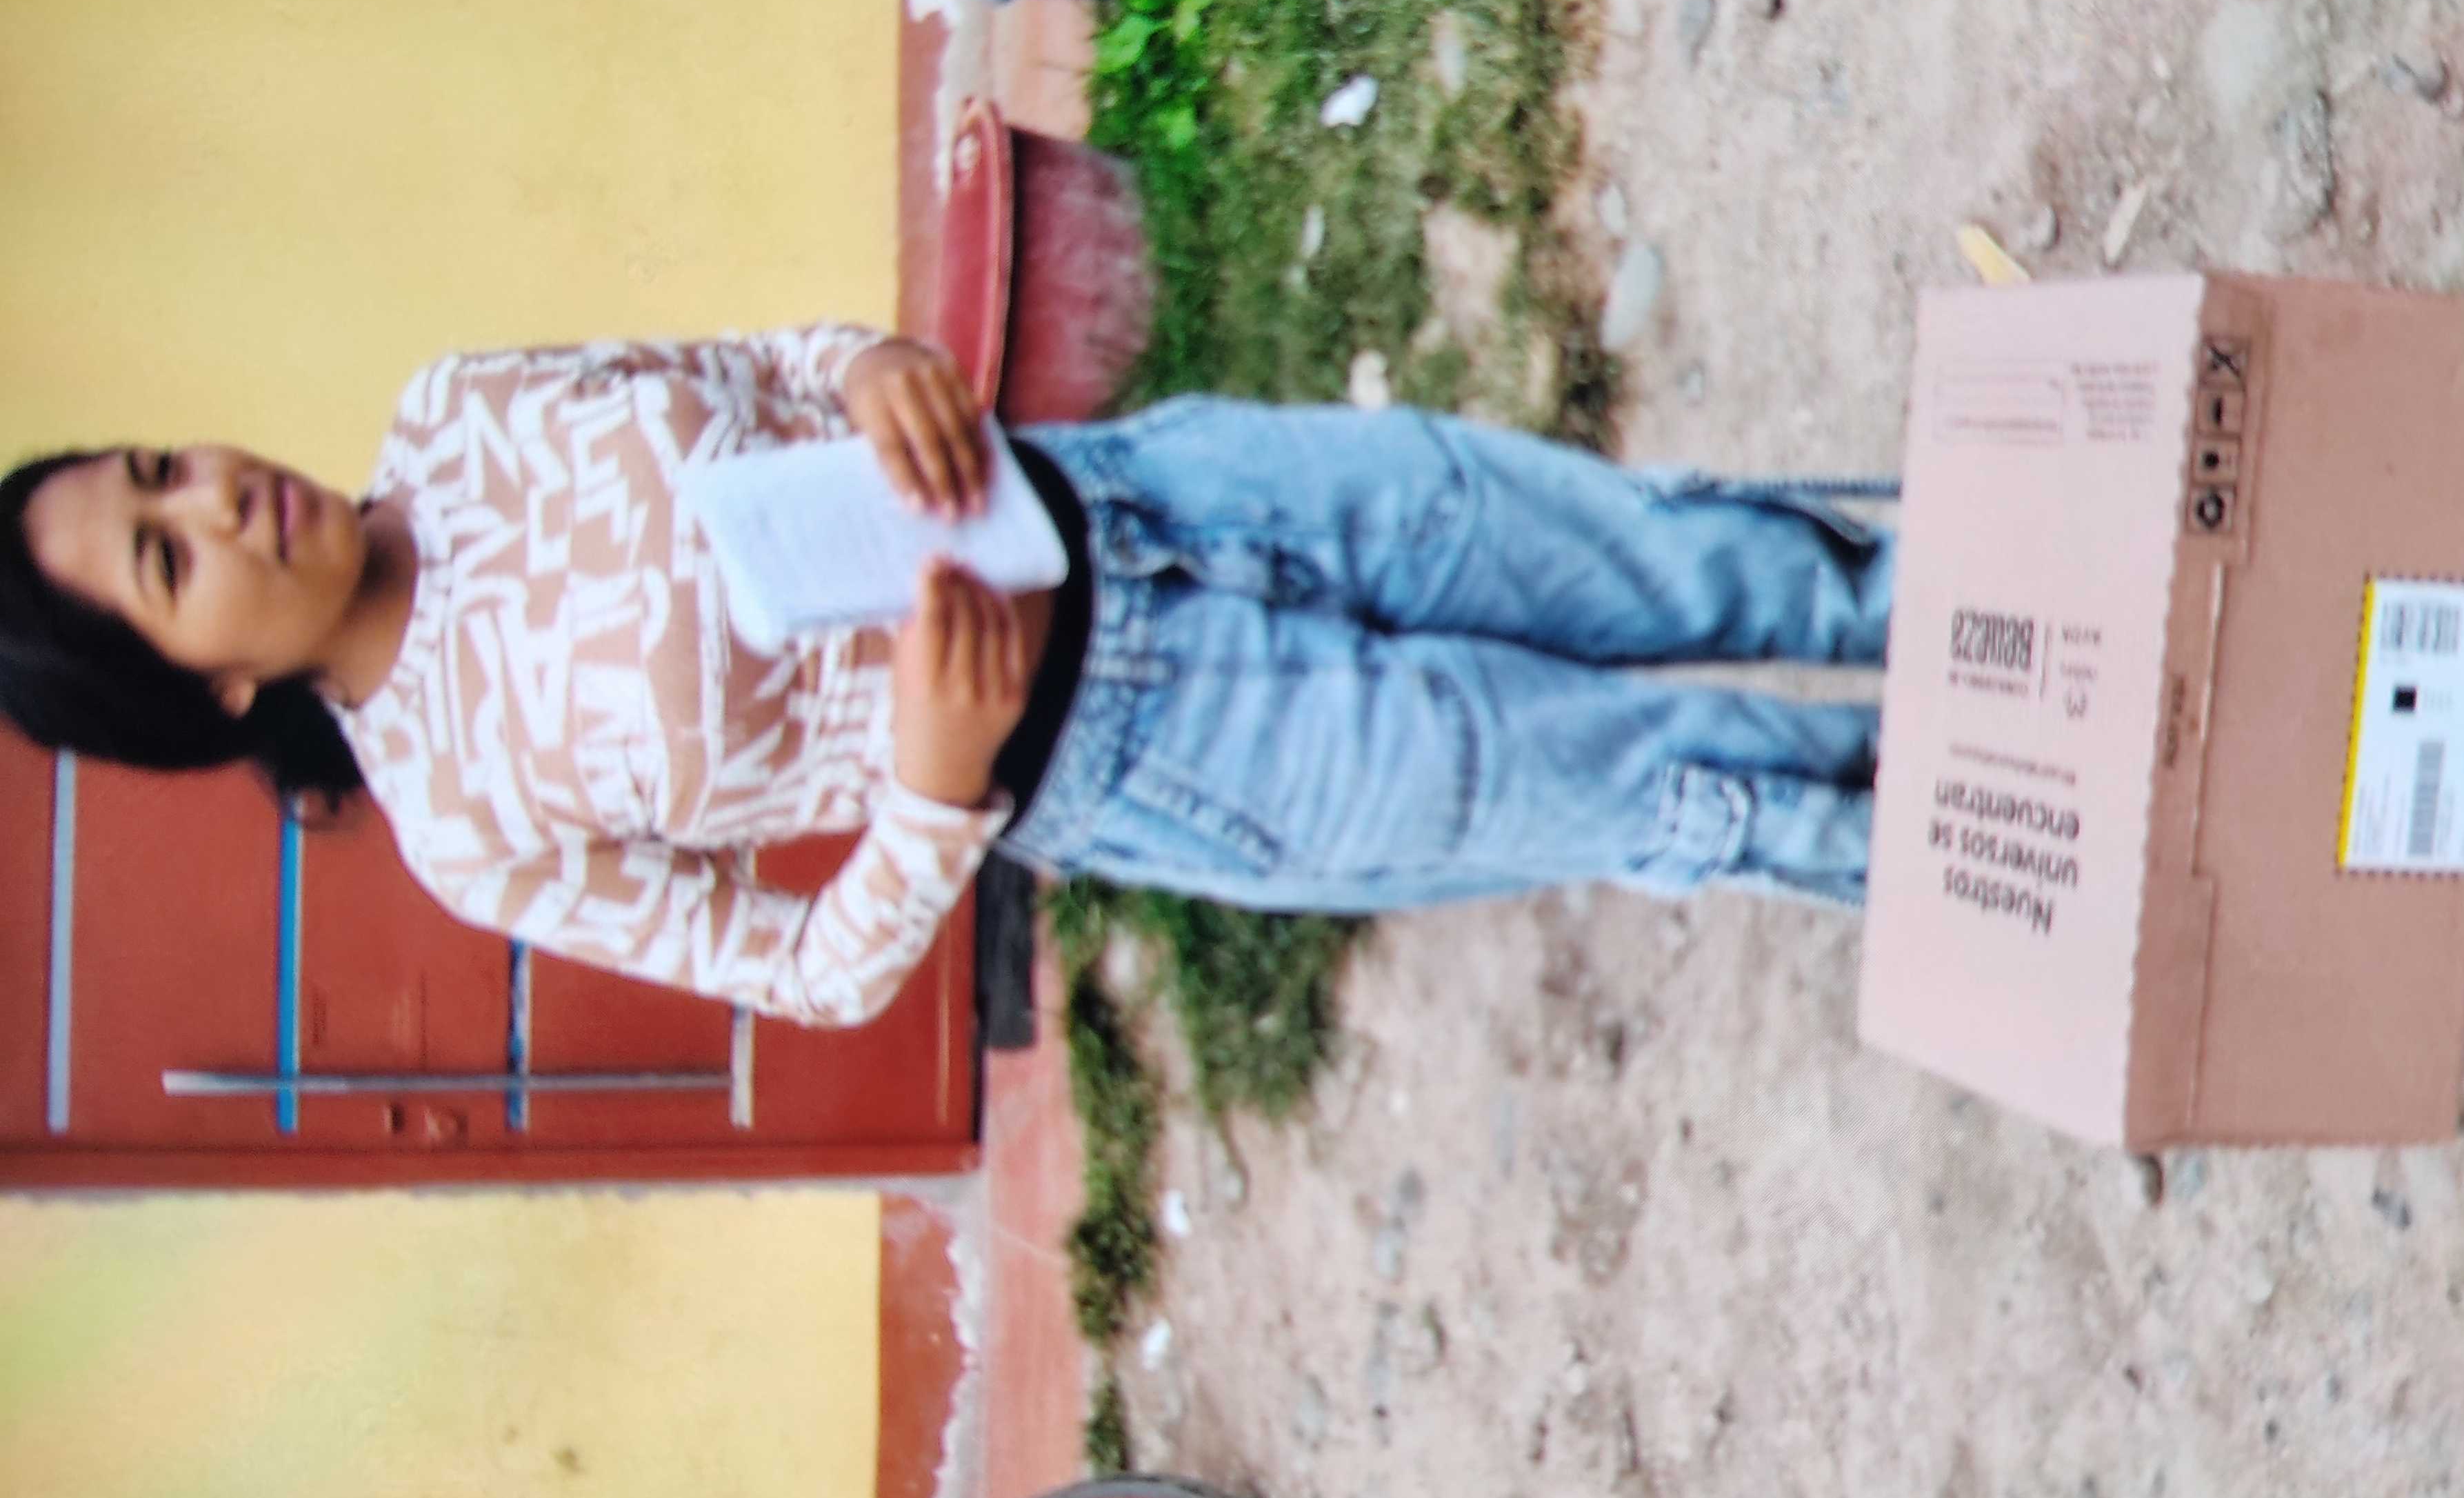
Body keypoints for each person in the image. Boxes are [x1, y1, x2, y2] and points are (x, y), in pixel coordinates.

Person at [0, 325, 1892, 1027]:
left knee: (1676, 550)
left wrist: (873, 369)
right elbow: (808, 977)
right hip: (1157, 748)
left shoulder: (456, 408)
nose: (217, 498)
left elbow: (765, 367)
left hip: (1155, 489)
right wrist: (926, 788)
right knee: (1670, 784)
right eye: (170, 561)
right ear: (207, 695)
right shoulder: (467, 828)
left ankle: (2015, 608)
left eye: (162, 467)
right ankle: (2005, 845)